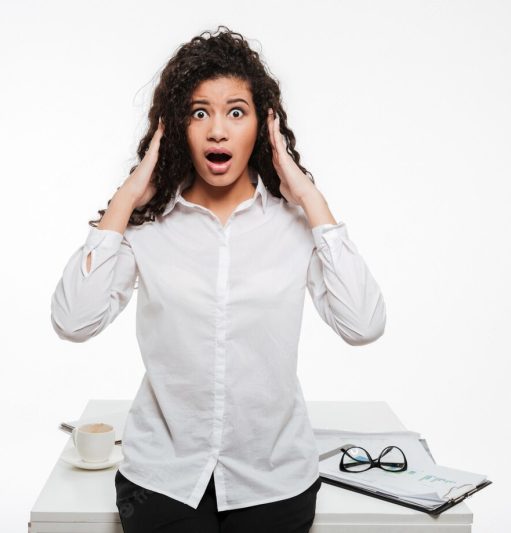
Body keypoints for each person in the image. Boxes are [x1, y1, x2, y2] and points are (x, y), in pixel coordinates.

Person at [50, 26, 387, 533]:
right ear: (176, 127)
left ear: (263, 124)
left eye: (236, 112)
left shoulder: (295, 226)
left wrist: (312, 200)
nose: (217, 131)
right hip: (164, 479)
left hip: (273, 480)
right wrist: (124, 201)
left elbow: (363, 325)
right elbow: (73, 322)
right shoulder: (149, 228)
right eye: (199, 112)